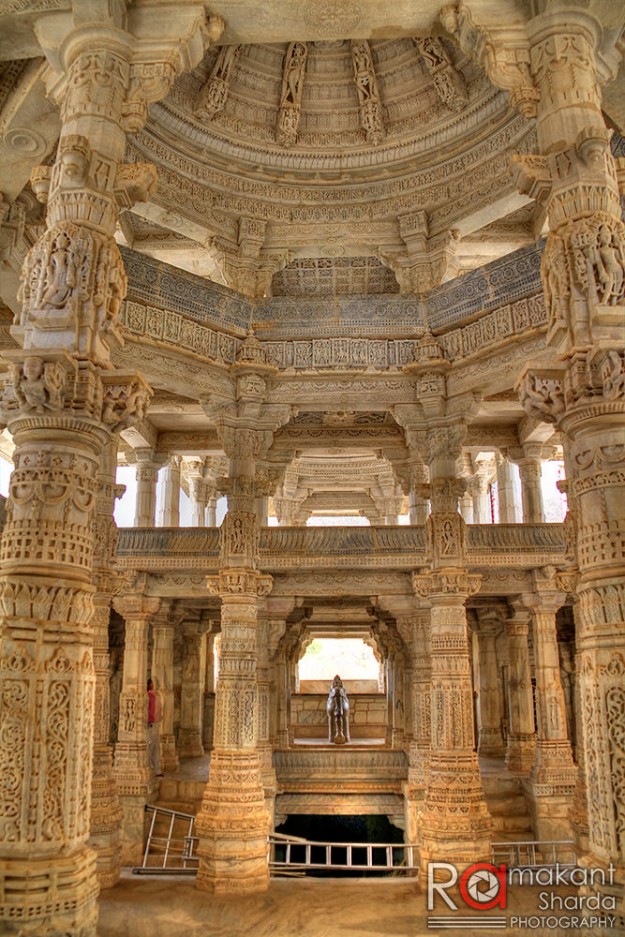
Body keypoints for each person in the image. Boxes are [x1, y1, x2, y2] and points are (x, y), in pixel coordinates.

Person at [147, 678, 163, 777]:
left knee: (156, 747)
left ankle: (157, 770)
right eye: (154, 683)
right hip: (151, 724)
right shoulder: (148, 696)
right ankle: (150, 767)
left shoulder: (156, 696)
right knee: (151, 746)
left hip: (156, 724)